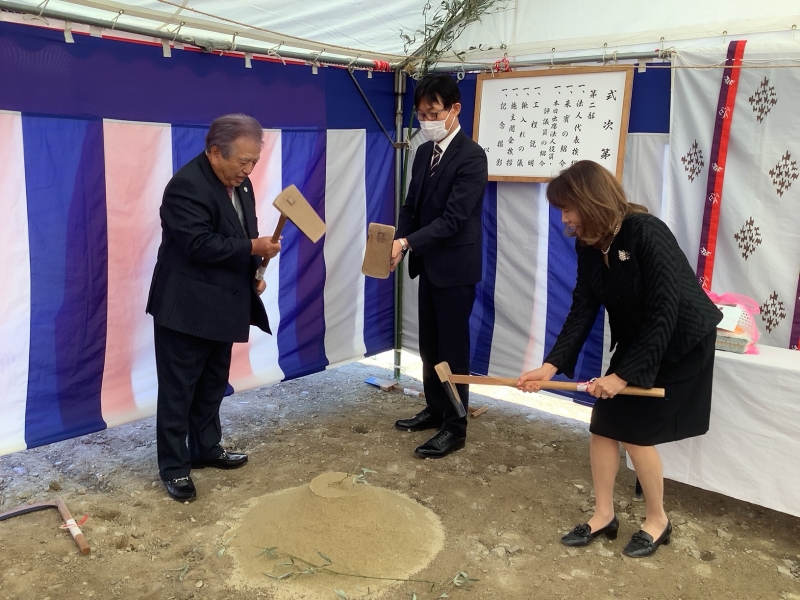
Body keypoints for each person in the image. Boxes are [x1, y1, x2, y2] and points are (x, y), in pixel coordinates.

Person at [518, 160, 722, 557]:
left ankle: (658, 521)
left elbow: (665, 310)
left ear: (590, 201)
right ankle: (604, 515)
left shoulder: (645, 231)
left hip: (681, 340)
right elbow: (582, 309)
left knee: (634, 431)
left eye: (568, 208)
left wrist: (623, 375)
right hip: (639, 339)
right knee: (603, 425)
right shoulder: (589, 245)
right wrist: (550, 366)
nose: (564, 218)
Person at [146, 114, 281, 502]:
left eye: (254, 161)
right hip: (185, 307)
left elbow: (241, 233)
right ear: (215, 152)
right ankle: (175, 467)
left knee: (211, 384)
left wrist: (253, 273)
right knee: (178, 391)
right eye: (243, 161)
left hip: (224, 303)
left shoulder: (242, 184)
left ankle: (206, 447)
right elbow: (199, 245)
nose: (248, 170)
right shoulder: (186, 186)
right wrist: (253, 248)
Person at [390, 74, 488, 458]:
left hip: (456, 268)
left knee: (452, 351)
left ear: (454, 109)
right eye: (421, 114)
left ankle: (455, 425)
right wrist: (398, 243)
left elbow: (453, 220)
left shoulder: (472, 156)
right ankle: (435, 408)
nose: (427, 121)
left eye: (433, 113)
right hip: (428, 264)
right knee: (429, 346)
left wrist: (406, 242)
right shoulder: (422, 153)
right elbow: (410, 206)